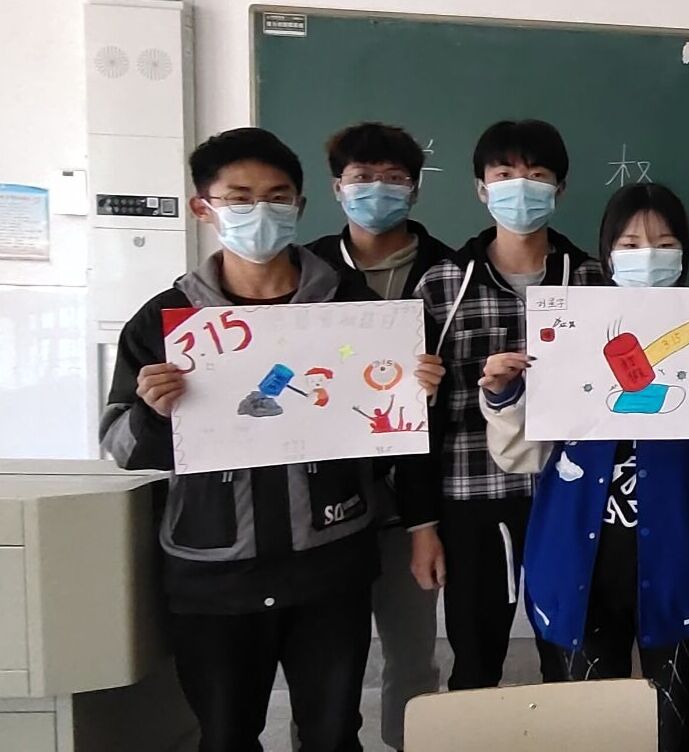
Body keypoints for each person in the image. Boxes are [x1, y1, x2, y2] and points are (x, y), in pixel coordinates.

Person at [98, 127, 443, 752]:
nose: (260, 211)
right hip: (214, 569)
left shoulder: (351, 306)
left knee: (333, 733)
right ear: (203, 207)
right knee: (225, 734)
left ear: (300, 205)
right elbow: (122, 449)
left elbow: (389, 439)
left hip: (329, 562)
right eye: (239, 197)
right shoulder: (166, 321)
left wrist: (409, 393)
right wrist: (153, 413)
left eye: (277, 197)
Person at [479, 183, 689, 752]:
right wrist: (506, 396)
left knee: (675, 729)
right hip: (578, 566)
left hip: (678, 567)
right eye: (630, 244)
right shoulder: (571, 333)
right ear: (607, 254)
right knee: (588, 733)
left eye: (665, 242)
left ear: (685, 253)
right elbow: (519, 455)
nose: (648, 255)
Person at [409, 119, 605, 690]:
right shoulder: (443, 284)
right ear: (481, 188)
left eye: (537, 175)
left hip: (569, 494)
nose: (521, 187)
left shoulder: (593, 280)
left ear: (560, 190)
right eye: (504, 175)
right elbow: (418, 417)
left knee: (571, 658)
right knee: (474, 660)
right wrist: (423, 525)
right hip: (474, 497)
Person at [305, 122, 449, 752]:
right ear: (337, 186)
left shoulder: (451, 271)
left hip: (415, 501)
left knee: (412, 654)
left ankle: (406, 742)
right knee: (323, 663)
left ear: (414, 189)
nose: (377, 190)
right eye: (362, 177)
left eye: (394, 178)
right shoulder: (304, 271)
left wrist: (442, 383)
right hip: (321, 502)